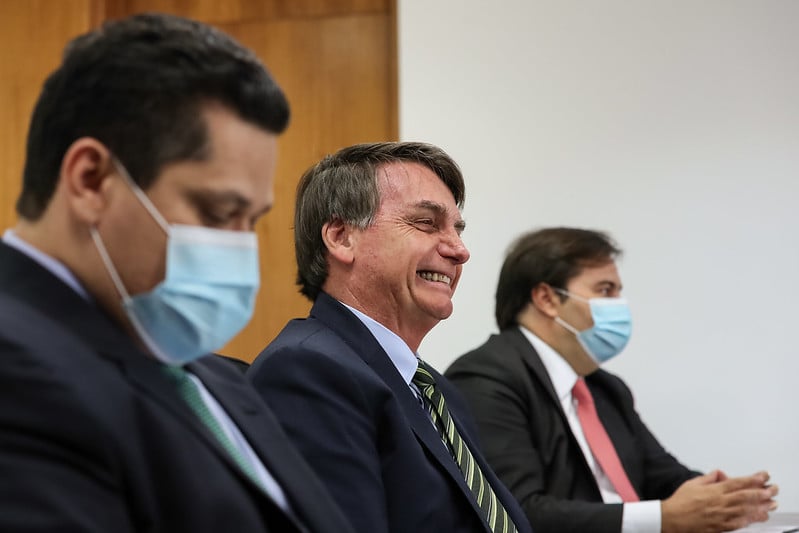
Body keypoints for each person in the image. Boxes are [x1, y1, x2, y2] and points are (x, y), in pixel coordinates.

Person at [0, 13, 355, 533]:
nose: (238, 247)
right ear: (91, 180)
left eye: (251, 221)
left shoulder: (204, 369)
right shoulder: (18, 374)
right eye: (216, 213)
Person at [247, 142, 532, 533]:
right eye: (426, 223)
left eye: (457, 229)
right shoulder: (306, 372)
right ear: (342, 237)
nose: (459, 250)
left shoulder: (439, 393)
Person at [445, 227, 778, 533]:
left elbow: (662, 475)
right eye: (605, 290)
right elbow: (516, 510)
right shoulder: (486, 378)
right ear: (546, 299)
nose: (618, 305)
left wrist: (725, 497)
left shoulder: (604, 387)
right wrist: (664, 518)